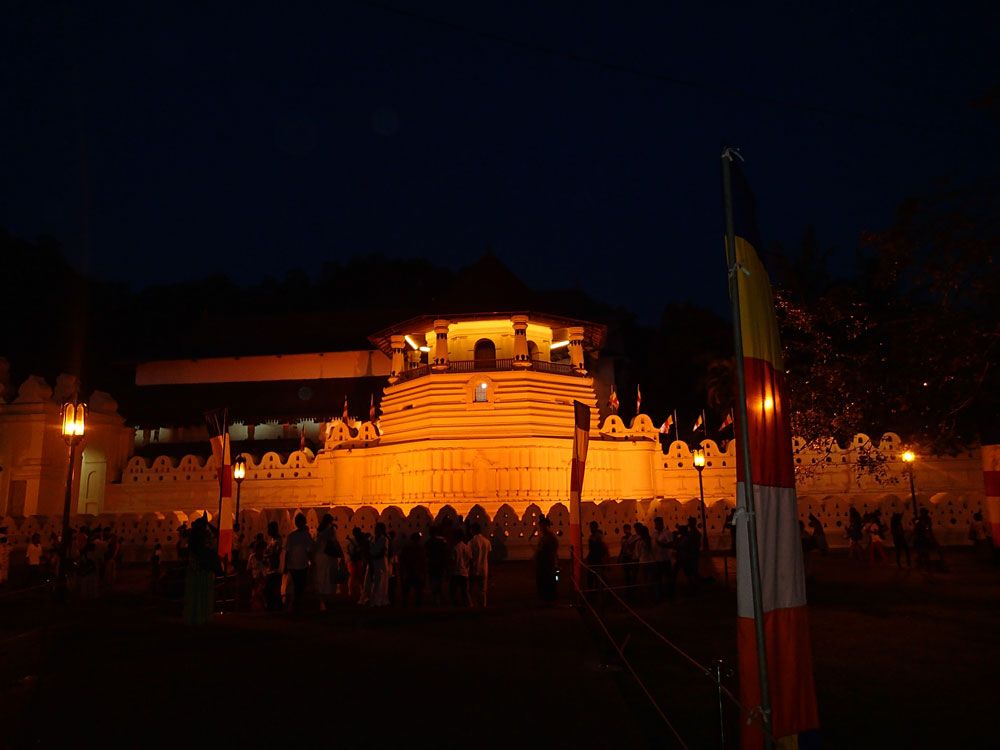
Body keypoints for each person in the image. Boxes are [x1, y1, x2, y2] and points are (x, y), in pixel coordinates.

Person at [183, 516, 218, 623]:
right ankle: (201, 617)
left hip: (195, 574)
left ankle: (195, 617)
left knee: (195, 597)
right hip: (202, 574)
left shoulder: (194, 541)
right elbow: (217, 535)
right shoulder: (201, 543)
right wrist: (208, 524)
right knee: (202, 597)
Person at [284, 513, 314, 613]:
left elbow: (287, 552)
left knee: (297, 586)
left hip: (294, 565)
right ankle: (297, 605)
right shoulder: (305, 535)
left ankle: (296, 605)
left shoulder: (291, 536)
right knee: (300, 586)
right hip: (301, 565)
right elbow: (310, 550)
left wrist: (286, 565)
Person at [314, 514, 339, 611]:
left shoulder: (319, 530)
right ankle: (328, 602)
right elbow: (334, 542)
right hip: (328, 556)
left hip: (319, 556)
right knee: (328, 579)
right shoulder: (331, 529)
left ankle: (322, 602)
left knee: (321, 579)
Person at [534, 515, 559, 602]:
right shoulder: (543, 537)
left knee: (549, 581)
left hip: (548, 563)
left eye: (542, 526)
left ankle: (549, 599)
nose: (541, 528)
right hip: (542, 564)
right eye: (540, 526)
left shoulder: (550, 537)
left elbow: (552, 549)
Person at [399, 532, 427, 607]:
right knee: (418, 590)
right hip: (417, 571)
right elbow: (423, 561)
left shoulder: (407, 548)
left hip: (409, 570)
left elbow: (402, 559)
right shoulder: (421, 548)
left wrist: (402, 570)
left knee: (406, 589)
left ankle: (405, 603)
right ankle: (418, 604)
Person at [468, 523, 492, 607]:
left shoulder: (471, 542)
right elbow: (489, 555)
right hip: (484, 567)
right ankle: (483, 604)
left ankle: (473, 604)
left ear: (473, 530)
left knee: (472, 588)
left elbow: (470, 557)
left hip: (474, 567)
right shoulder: (487, 541)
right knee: (482, 589)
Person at [366, 522, 389, 607]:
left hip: (381, 562)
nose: (375, 530)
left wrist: (375, 557)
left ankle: (380, 600)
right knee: (374, 581)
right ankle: (374, 600)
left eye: (377, 528)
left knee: (381, 582)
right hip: (374, 562)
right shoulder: (372, 538)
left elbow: (383, 551)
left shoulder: (384, 539)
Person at [425, 526, 449, 605]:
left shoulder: (429, 542)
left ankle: (434, 598)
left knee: (433, 581)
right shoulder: (442, 541)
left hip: (432, 564)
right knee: (439, 581)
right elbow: (445, 553)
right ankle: (437, 598)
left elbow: (426, 554)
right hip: (440, 564)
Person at [652, 517, 674, 602]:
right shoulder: (654, 534)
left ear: (661, 523)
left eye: (657, 523)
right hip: (657, 560)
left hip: (665, 560)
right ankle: (660, 595)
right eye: (655, 523)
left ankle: (670, 594)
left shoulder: (667, 533)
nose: (655, 525)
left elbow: (671, 544)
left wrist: (661, 544)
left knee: (668, 577)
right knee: (658, 578)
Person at [584, 520, 610, 595]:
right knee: (591, 578)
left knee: (599, 578)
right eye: (590, 527)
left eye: (592, 527)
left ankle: (599, 594)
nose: (590, 528)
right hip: (592, 560)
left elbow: (603, 548)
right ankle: (593, 593)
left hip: (598, 560)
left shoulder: (598, 536)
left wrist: (605, 559)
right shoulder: (592, 536)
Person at [263, 521, 284, 611]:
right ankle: (274, 607)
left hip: (275, 568)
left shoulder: (278, 540)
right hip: (270, 568)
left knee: (272, 589)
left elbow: (274, 553)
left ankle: (276, 607)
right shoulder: (272, 539)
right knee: (270, 589)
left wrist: (266, 555)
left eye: (269, 528)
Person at [449, 529, 472, 607]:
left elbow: (453, 561)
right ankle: (467, 606)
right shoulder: (466, 547)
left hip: (456, 572)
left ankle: (456, 606)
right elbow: (469, 559)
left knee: (453, 591)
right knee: (464, 592)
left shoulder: (455, 548)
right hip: (464, 572)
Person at [347, 527, 368, 602]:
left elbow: (350, 551)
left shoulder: (355, 541)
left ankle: (357, 591)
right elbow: (351, 551)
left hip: (356, 560)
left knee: (357, 576)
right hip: (355, 560)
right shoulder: (356, 541)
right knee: (356, 576)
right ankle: (354, 591)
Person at [619, 523, 638, 588]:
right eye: (624, 529)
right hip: (625, 557)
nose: (625, 530)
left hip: (631, 557)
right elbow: (622, 548)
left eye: (627, 529)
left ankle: (634, 585)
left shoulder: (633, 537)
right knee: (626, 572)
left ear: (630, 529)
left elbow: (634, 547)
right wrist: (620, 557)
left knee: (633, 572)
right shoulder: (623, 538)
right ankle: (628, 585)